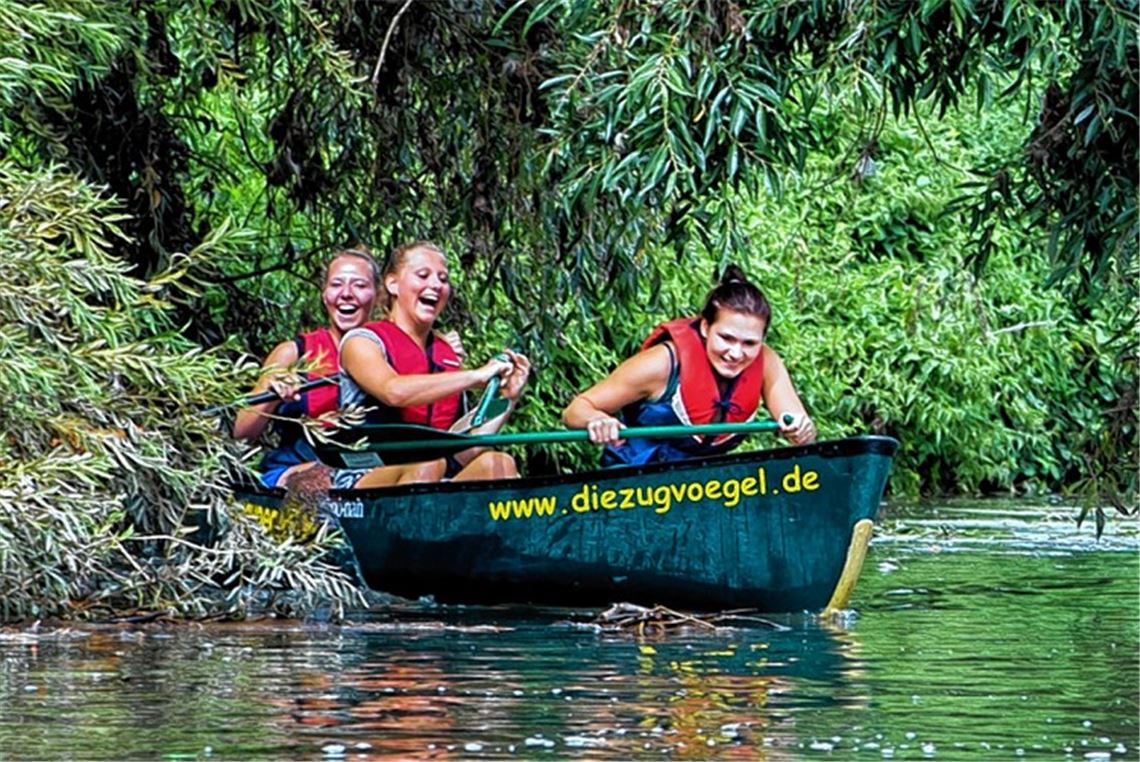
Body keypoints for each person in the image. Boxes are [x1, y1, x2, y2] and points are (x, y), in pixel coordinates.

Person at [562, 265, 816, 465]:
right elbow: (575, 410)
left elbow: (800, 426)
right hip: (633, 486)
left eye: (749, 343)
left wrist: (802, 431)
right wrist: (596, 420)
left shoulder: (766, 363)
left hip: (702, 487)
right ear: (706, 327)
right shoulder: (660, 364)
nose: (736, 353)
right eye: (726, 338)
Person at [233, 248, 444, 489]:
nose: (347, 294)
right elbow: (241, 435)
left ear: (377, 296)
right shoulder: (292, 353)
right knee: (321, 479)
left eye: (359, 286)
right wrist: (270, 393)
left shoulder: (395, 352)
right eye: (337, 284)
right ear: (325, 295)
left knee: (428, 466)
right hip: (301, 470)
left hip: (371, 473)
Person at [338, 240, 531, 483]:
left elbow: (459, 449)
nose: (435, 285)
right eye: (423, 275)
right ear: (393, 283)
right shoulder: (362, 341)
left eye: (442, 278)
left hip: (434, 475)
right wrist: (476, 376)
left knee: (499, 463)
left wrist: (507, 397)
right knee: (427, 461)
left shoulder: (444, 354)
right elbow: (393, 391)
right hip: (364, 477)